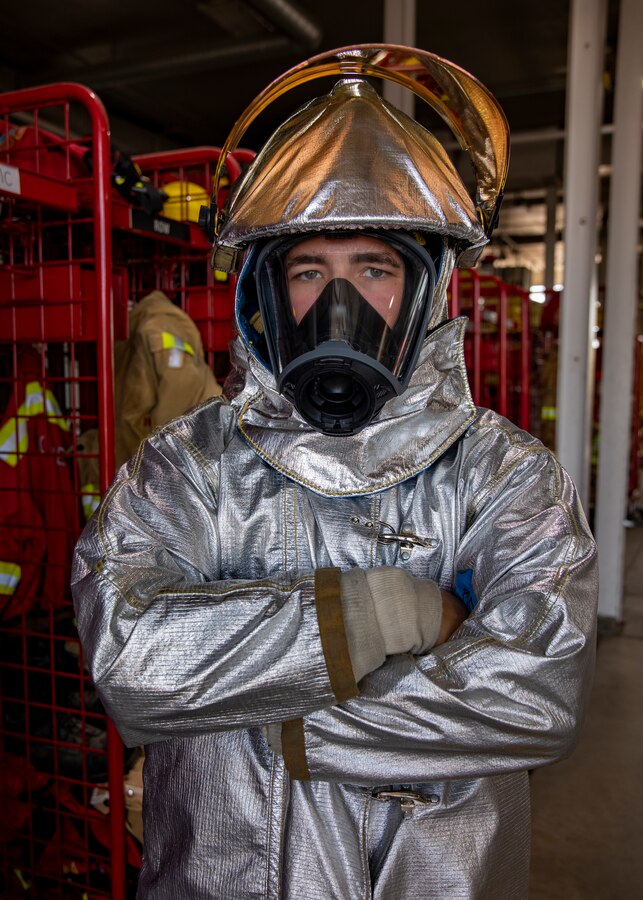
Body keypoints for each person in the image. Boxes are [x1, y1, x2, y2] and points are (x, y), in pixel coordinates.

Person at [72, 45, 598, 900]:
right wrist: (393, 614)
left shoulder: (506, 475)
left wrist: (246, 707)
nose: (337, 306)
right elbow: (129, 661)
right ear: (265, 295)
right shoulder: (185, 465)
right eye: (309, 271)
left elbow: (538, 691)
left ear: (425, 289)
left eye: (374, 270)